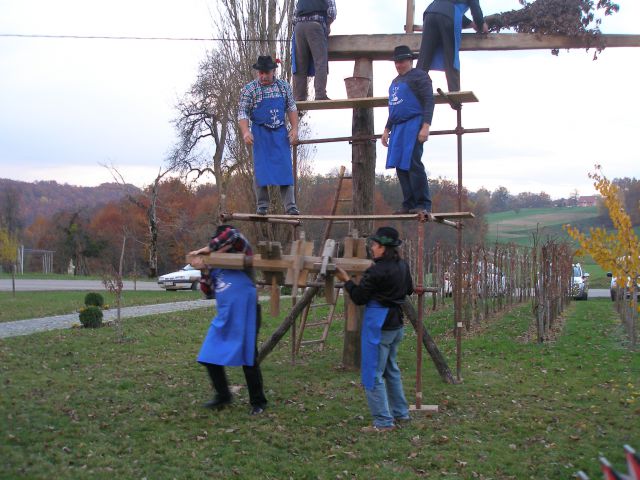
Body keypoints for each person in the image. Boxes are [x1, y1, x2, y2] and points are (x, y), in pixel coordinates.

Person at [335, 226, 414, 432]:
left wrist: (346, 281)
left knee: (373, 373)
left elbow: (359, 297)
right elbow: (409, 289)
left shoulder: (376, 271)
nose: (371, 247)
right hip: (396, 323)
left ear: (382, 248)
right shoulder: (403, 266)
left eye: (374, 244)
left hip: (379, 325)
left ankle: (383, 422)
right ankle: (401, 414)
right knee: (391, 370)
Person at [188, 225, 268, 415]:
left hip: (247, 315)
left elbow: (233, 234)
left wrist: (206, 249)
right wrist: (204, 269)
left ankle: (259, 402)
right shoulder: (214, 263)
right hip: (225, 317)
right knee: (209, 355)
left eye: (220, 244)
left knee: (249, 359)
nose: (220, 248)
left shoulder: (242, 252)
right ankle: (223, 396)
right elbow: (208, 292)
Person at [239, 55, 300, 216]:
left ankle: (290, 206)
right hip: (260, 133)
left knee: (285, 167)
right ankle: (262, 206)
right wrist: (246, 131)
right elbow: (242, 112)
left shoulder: (283, 87)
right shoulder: (249, 89)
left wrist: (294, 128)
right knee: (261, 169)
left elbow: (291, 107)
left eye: (266, 72)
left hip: (280, 131)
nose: (263, 76)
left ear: (273, 71)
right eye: (260, 73)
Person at [382, 45, 434, 216]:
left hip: (414, 124)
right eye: (396, 62)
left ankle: (422, 203)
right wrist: (387, 129)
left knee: (413, 163)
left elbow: (428, 101)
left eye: (402, 61)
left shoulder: (420, 77)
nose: (399, 65)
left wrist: (426, 126)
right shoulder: (395, 82)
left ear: (410, 61)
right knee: (400, 165)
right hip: (398, 127)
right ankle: (408, 203)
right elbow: (394, 107)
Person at [416, 0, 488, 92]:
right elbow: (475, 8)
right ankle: (454, 94)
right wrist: (481, 24)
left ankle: (415, 89)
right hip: (449, 15)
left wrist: (471, 23)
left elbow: (448, 5)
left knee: (424, 56)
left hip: (430, 13)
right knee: (451, 55)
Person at [292, 0, 337, 101]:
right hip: (315, 25)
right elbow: (332, 12)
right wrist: (326, 26)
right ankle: (320, 94)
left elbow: (294, 14)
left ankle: (299, 97)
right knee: (320, 62)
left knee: (300, 64)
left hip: (299, 27)